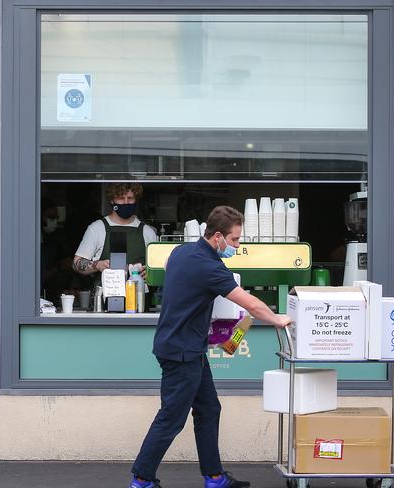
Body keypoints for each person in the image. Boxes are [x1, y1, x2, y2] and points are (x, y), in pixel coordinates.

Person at [129, 206, 292, 488]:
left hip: (186, 347)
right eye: (236, 240)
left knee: (208, 409)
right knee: (171, 417)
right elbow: (250, 303)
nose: (237, 246)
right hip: (181, 352)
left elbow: (170, 267)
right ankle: (142, 479)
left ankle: (214, 477)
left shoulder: (182, 252)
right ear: (218, 237)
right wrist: (278, 319)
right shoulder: (210, 267)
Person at [72, 183, 156, 278]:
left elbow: (158, 267)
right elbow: (76, 264)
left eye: (130, 198)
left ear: (136, 199)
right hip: (105, 291)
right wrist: (97, 265)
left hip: (139, 291)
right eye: (121, 198)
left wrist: (150, 273)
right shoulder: (96, 228)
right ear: (112, 200)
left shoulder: (148, 232)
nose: (126, 202)